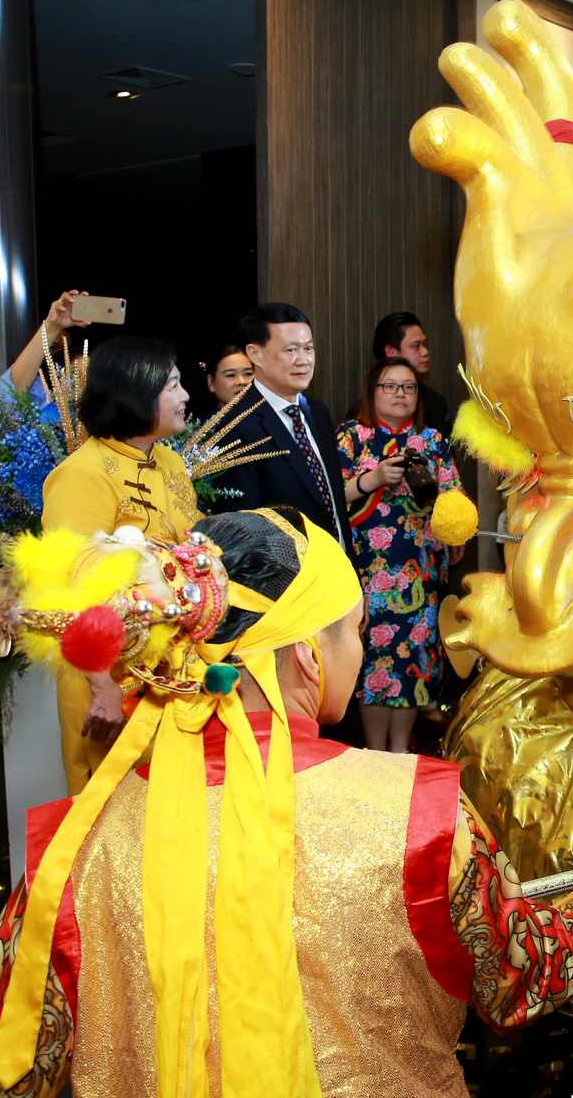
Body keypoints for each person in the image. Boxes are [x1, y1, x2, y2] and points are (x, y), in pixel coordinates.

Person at [0, 509, 573, 1096]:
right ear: (307, 658)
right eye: (352, 630)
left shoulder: (79, 844)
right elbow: (517, 971)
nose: (364, 645)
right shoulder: (422, 814)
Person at [40, 336, 197, 793]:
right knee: (115, 810)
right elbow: (70, 589)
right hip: (110, 676)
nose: (185, 396)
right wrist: (103, 688)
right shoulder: (81, 474)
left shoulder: (169, 462)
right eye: (172, 385)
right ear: (135, 391)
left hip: (173, 668)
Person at [338, 358, 465, 750]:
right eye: (390, 387)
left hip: (419, 567)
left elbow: (455, 500)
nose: (400, 394)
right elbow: (329, 500)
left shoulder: (432, 441)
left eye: (408, 387)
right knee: (376, 661)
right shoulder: (350, 438)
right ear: (372, 392)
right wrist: (373, 479)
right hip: (368, 569)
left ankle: (402, 750)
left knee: (413, 658)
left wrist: (454, 525)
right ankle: (375, 751)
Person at [213, 303, 349, 542]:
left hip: (337, 563)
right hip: (286, 572)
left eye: (308, 348)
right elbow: (241, 525)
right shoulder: (237, 423)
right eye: (290, 350)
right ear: (255, 354)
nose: (304, 360)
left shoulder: (317, 411)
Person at [0, 290, 94, 413]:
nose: (80, 383)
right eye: (76, 375)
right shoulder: (37, 405)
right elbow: (12, 394)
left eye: (87, 376)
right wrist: (52, 326)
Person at [372, 311, 450, 433]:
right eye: (416, 346)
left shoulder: (436, 402)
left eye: (425, 344)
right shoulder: (363, 412)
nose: (425, 352)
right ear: (391, 352)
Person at [203, 344, 254, 411]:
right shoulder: (204, 421)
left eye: (248, 374)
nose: (242, 381)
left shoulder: (271, 418)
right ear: (211, 383)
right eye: (231, 375)